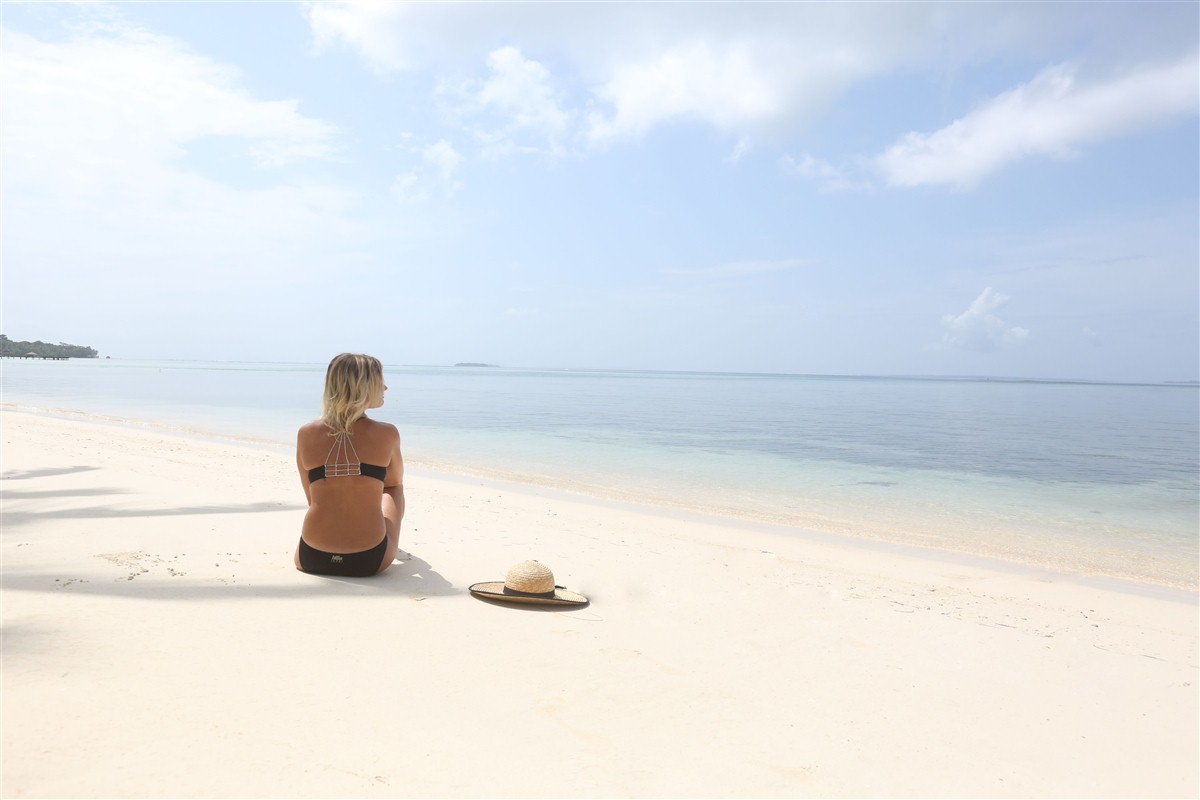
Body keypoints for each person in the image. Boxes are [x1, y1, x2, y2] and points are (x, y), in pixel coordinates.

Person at [294, 353, 404, 576]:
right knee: (393, 488)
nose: (385, 388)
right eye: (379, 381)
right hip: (369, 559)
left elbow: (311, 498)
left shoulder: (305, 433)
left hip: (311, 555)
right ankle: (389, 541)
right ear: (363, 387)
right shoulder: (387, 433)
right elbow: (393, 484)